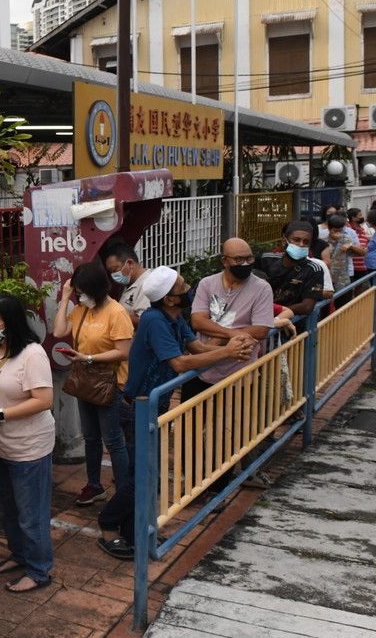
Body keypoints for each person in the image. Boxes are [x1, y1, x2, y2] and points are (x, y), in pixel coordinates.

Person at [101, 269, 255, 558]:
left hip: (153, 408)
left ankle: (134, 528)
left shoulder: (174, 318)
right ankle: (108, 525)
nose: (189, 288)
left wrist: (233, 340)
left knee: (147, 475)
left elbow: (197, 347)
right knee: (141, 477)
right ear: (171, 299)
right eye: (183, 286)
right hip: (137, 408)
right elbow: (181, 364)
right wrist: (228, 352)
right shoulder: (154, 321)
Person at [0, 293, 55, 593]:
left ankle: (39, 569)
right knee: (8, 509)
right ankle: (19, 555)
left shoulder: (32, 354)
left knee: (31, 514)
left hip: (28, 447)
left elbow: (44, 400)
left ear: (12, 323)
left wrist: (0, 414)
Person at [51, 262, 134, 508]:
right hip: (85, 383)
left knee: (113, 440)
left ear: (97, 289)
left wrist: (88, 358)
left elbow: (123, 352)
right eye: (77, 291)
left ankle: (123, 490)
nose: (80, 295)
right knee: (91, 438)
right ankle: (94, 485)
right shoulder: (81, 310)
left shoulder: (116, 313)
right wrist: (66, 297)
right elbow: (58, 331)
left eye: (82, 291)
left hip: (110, 383)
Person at [187, 238, 274, 403]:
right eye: (239, 259)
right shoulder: (207, 284)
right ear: (225, 261)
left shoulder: (262, 288)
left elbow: (261, 329)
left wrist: (219, 337)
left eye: (249, 258)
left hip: (239, 373)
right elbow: (198, 321)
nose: (245, 263)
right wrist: (233, 333)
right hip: (202, 369)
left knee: (235, 426)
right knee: (188, 426)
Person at [258, 221, 327, 318]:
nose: (301, 244)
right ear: (284, 241)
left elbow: (307, 307)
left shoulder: (314, 270)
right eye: (296, 240)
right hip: (261, 318)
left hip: (294, 324)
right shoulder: (267, 259)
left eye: (306, 242)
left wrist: (279, 313)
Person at [102, 243, 151, 326]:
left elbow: (144, 321)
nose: (113, 275)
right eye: (111, 272)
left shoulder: (147, 283)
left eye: (115, 270)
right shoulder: (129, 282)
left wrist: (113, 315)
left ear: (130, 263)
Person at [322, 214, 364, 289]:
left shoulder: (346, 239)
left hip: (342, 281)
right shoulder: (323, 240)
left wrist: (350, 246)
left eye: (340, 231)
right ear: (329, 228)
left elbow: (362, 253)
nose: (338, 233)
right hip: (326, 280)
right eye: (335, 231)